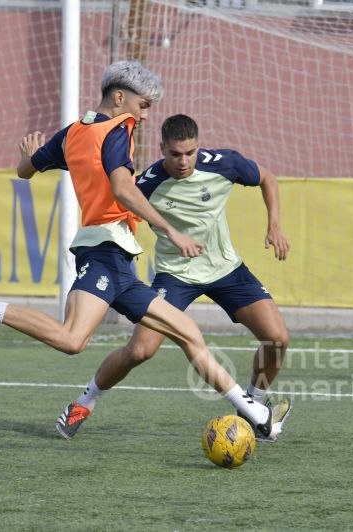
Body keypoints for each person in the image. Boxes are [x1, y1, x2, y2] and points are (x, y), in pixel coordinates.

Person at [0, 61, 290, 440]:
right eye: (143, 105)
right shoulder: (119, 128)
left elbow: (25, 171)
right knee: (73, 339)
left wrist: (30, 155)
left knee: (188, 333)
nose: (145, 115)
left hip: (118, 257)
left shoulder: (72, 132)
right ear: (120, 98)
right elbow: (122, 188)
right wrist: (172, 230)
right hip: (105, 248)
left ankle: (256, 414)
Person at [56, 114, 292, 441]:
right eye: (175, 154)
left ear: (198, 147)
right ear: (162, 149)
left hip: (226, 269)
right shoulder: (146, 184)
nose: (183, 161)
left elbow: (266, 178)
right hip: (174, 277)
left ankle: (253, 404)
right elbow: (113, 211)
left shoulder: (224, 164)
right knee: (140, 350)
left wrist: (274, 225)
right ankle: (84, 402)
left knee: (277, 338)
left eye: (190, 153)